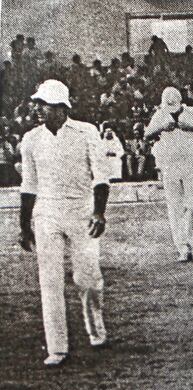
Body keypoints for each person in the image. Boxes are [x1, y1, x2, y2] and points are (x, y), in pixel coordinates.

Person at [18, 80, 111, 367]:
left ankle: (95, 329)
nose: (37, 109)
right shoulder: (31, 139)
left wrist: (99, 213)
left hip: (81, 210)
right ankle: (57, 347)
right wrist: (24, 226)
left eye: (43, 104)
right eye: (37, 104)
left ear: (61, 108)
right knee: (50, 281)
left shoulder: (86, 132)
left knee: (88, 278)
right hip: (47, 213)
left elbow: (101, 177)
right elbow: (29, 185)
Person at [145, 87, 193, 262]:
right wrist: (161, 127)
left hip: (191, 164)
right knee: (175, 207)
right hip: (170, 166)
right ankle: (182, 247)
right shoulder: (160, 114)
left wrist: (191, 127)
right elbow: (146, 134)